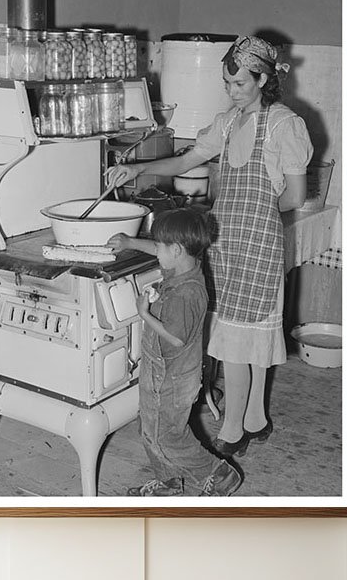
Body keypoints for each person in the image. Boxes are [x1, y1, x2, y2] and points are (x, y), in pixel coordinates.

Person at [107, 34, 313, 456]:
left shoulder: (283, 125)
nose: (232, 92)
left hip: (257, 243)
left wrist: (251, 213)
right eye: (227, 84)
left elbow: (293, 197)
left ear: (262, 79)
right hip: (225, 240)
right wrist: (134, 170)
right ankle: (255, 418)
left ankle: (233, 431)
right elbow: (186, 161)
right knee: (240, 336)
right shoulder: (229, 122)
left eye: (239, 84)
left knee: (239, 340)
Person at [112, 209, 242, 497]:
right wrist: (132, 245)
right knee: (149, 427)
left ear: (176, 250)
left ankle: (218, 474)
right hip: (162, 371)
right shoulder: (184, 270)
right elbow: (165, 251)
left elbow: (178, 338)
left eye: (158, 246)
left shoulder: (187, 293)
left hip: (171, 379)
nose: (155, 250)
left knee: (167, 436)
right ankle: (169, 482)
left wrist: (144, 314)